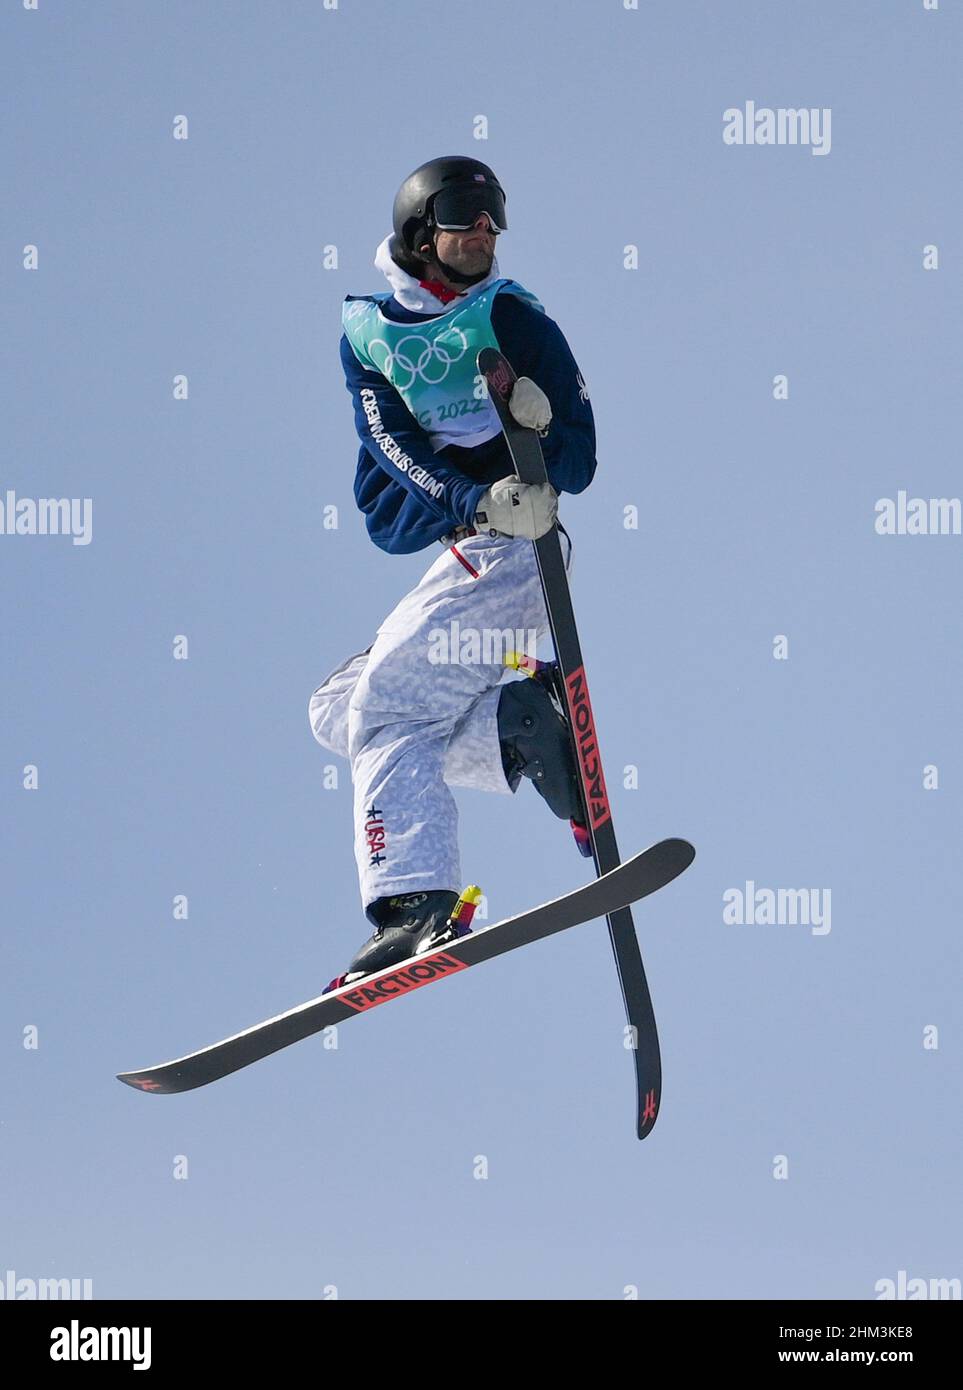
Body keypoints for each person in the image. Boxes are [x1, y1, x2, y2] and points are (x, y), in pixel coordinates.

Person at [309, 155, 597, 987]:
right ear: (417, 231)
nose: (484, 232)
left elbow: (579, 453)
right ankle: (516, 733)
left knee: (390, 709)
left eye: (493, 219)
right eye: (466, 215)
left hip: (520, 556)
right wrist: (473, 502)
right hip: (472, 544)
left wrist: (539, 444)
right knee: (339, 709)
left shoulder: (512, 316)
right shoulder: (367, 334)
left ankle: (411, 903)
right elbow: (390, 449)